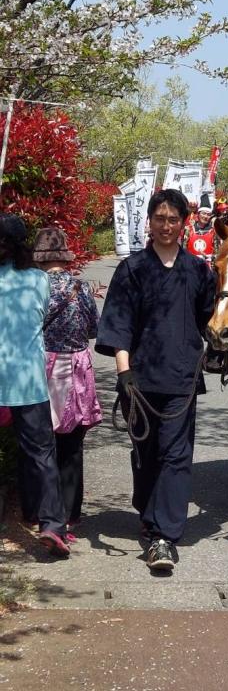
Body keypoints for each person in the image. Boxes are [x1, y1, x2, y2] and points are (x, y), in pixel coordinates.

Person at [95, 189, 216, 573]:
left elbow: (209, 320)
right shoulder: (132, 269)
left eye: (173, 219)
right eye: (160, 219)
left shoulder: (198, 271)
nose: (166, 226)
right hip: (139, 381)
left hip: (181, 379)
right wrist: (124, 372)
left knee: (176, 457)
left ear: (184, 223)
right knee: (147, 456)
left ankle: (165, 536)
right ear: (149, 221)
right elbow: (117, 325)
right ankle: (150, 517)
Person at [0, 215, 70, 557]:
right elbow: (40, 316)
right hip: (27, 381)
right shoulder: (39, 280)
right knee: (41, 455)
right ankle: (52, 525)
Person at [34, 227, 102, 535]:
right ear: (64, 255)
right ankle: (71, 514)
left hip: (42, 367)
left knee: (42, 442)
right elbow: (94, 328)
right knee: (72, 444)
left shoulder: (34, 287)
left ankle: (43, 513)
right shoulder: (81, 287)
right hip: (76, 367)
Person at [184, 192, 216, 264]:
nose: (205, 216)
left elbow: (218, 254)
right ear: (198, 214)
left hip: (208, 267)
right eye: (203, 213)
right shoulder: (189, 230)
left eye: (208, 214)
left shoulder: (213, 232)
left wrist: (210, 257)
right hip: (191, 266)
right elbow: (183, 251)